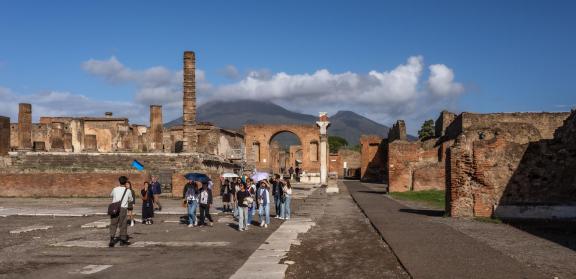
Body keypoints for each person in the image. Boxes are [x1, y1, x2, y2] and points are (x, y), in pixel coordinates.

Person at [109, 176, 134, 247]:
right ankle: (122, 240)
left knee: (113, 223)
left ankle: (112, 239)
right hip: (123, 208)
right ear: (126, 182)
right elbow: (131, 199)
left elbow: (111, 195)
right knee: (123, 224)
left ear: (119, 181)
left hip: (114, 208)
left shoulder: (115, 189)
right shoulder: (128, 190)